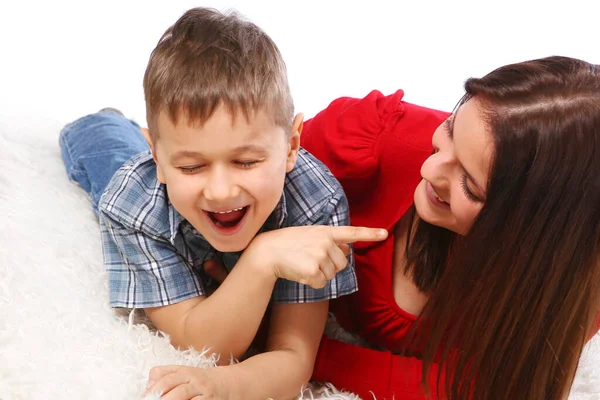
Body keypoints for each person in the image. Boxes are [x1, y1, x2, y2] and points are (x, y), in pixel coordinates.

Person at [58, 7, 386, 400]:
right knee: (104, 151)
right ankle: (106, 123)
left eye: (245, 161)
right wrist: (262, 258)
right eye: (192, 166)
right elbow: (201, 340)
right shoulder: (134, 201)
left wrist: (223, 386)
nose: (220, 191)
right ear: (159, 160)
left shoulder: (316, 201)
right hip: (140, 180)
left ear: (291, 148)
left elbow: (294, 356)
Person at [300, 56, 600, 399]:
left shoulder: (573, 283)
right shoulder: (365, 137)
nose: (430, 169)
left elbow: (487, 390)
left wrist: (298, 353)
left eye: (470, 186)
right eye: (450, 129)